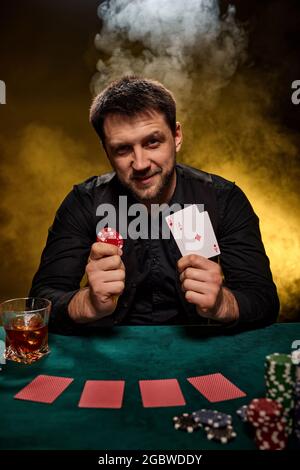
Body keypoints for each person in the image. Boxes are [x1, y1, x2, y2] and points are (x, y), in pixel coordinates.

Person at [29, 76, 279, 333]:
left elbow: (264, 301)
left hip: (200, 351)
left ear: (177, 136)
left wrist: (223, 304)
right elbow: (39, 302)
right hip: (110, 354)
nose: (140, 163)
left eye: (152, 142)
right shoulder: (84, 202)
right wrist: (85, 303)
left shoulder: (223, 198)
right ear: (106, 150)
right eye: (123, 149)